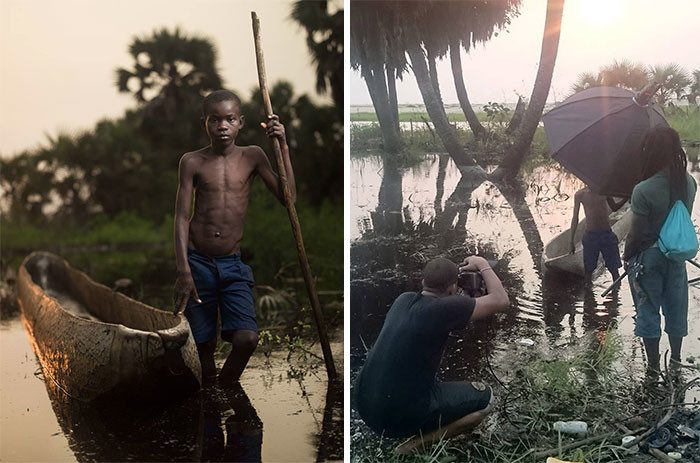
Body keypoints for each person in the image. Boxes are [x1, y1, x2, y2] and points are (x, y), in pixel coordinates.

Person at [173, 89, 295, 385]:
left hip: (232, 264)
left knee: (246, 338)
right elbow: (181, 217)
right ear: (205, 123)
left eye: (229, 119)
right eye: (215, 120)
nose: (222, 126)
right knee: (203, 345)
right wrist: (183, 269)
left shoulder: (253, 156)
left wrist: (283, 146)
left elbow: (288, 197)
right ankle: (210, 402)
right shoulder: (192, 161)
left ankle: (226, 387)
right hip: (198, 261)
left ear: (240, 122)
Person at [353, 256, 510, 454]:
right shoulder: (445, 308)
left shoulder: (403, 300)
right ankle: (414, 445)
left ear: (423, 282)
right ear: (453, 288)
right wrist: (482, 264)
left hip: (364, 405)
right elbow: (501, 300)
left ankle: (412, 422)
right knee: (485, 399)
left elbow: (441, 306)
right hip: (394, 417)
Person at [622, 126, 697, 373]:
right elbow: (680, 221)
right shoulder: (689, 183)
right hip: (676, 257)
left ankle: (653, 368)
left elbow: (637, 233)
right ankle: (675, 360)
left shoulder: (643, 189)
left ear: (650, 152)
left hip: (649, 258)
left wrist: (627, 255)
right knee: (677, 307)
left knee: (648, 309)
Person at [569, 186, 627, 282]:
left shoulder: (604, 191)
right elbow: (575, 218)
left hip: (606, 234)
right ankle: (588, 295)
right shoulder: (580, 194)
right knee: (588, 271)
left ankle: (615, 294)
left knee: (614, 270)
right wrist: (571, 241)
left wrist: (626, 198)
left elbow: (615, 208)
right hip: (591, 236)